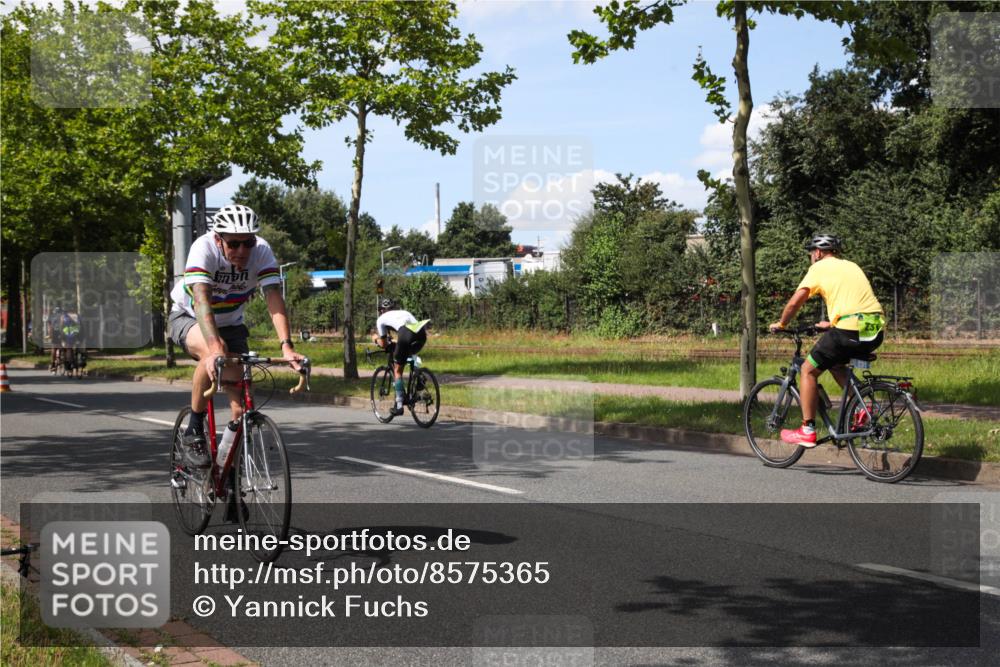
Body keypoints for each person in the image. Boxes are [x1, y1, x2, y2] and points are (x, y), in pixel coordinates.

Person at [167, 204, 303, 468]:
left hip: (232, 324)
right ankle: (193, 429)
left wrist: (286, 346)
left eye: (248, 242)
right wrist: (215, 346)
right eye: (234, 244)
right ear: (219, 239)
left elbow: (273, 295)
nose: (242, 251)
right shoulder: (203, 248)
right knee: (213, 352)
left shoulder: (261, 251)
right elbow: (201, 298)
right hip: (189, 316)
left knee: (240, 411)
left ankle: (227, 479)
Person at [769, 233, 885, 447]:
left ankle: (807, 429)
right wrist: (832, 323)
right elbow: (856, 302)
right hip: (875, 328)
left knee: (807, 370)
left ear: (819, 252)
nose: (811, 257)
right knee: (835, 363)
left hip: (848, 329)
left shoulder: (818, 268)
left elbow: (795, 302)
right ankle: (863, 408)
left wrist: (782, 324)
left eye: (811, 253)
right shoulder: (851, 265)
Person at [371, 298, 430, 416]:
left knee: (397, 371)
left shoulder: (381, 319)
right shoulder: (403, 312)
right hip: (421, 334)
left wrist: (375, 339)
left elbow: (383, 344)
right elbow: (411, 331)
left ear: (381, 310)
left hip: (405, 334)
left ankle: (399, 406)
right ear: (393, 308)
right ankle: (419, 377)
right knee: (409, 354)